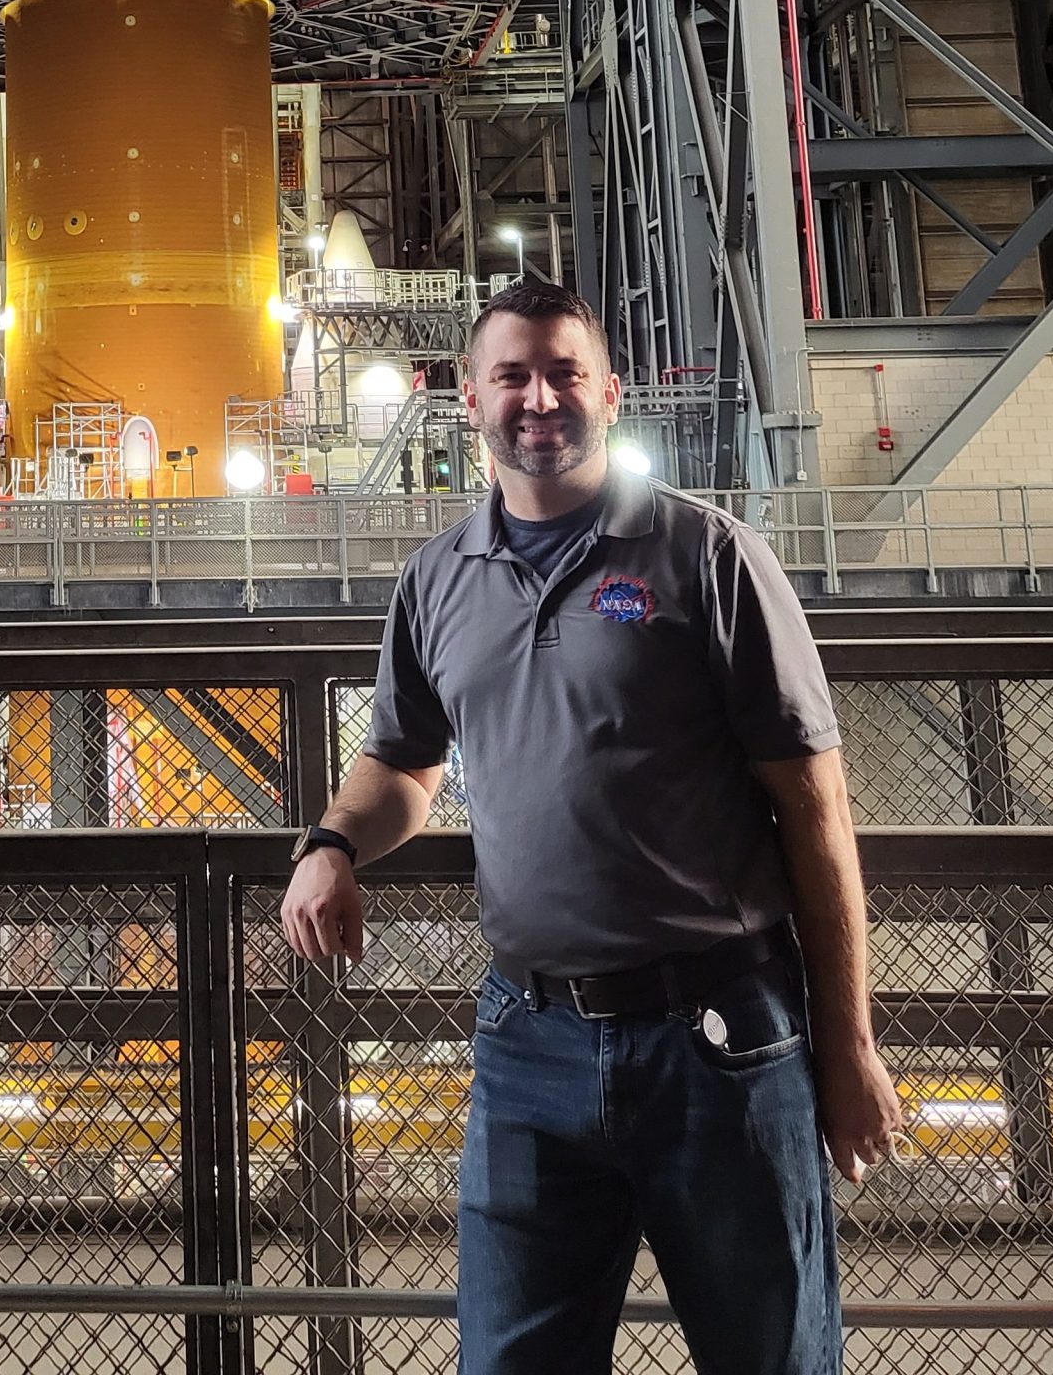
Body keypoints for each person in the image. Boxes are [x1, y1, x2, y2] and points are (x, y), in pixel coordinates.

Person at [280, 278, 902, 1375]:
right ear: (469, 397)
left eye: (564, 372)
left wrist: (847, 1046)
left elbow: (817, 814)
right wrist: (330, 844)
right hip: (529, 1044)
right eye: (512, 375)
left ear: (609, 392)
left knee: (772, 1358)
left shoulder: (706, 557)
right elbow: (406, 764)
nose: (538, 398)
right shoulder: (437, 580)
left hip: (718, 1038)